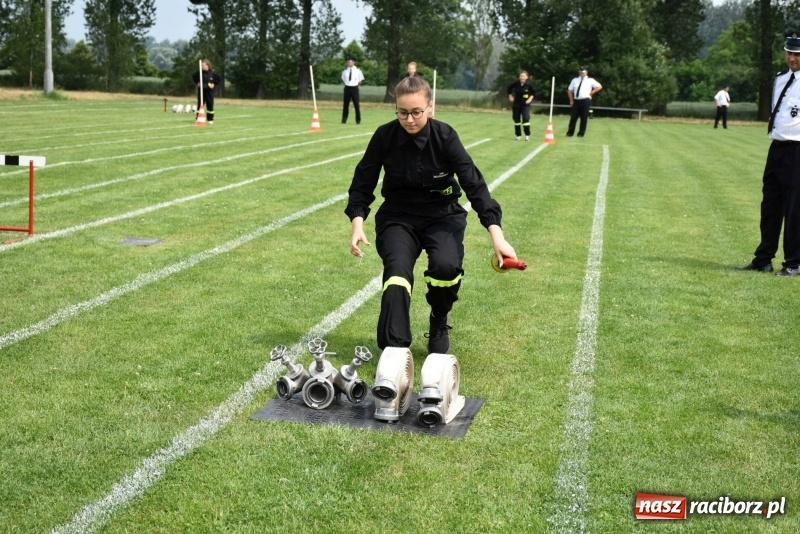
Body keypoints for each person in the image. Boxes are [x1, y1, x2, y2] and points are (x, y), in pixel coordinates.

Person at [345, 76, 518, 354]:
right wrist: (357, 224)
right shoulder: (384, 136)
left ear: (430, 107)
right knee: (397, 273)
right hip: (398, 217)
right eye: (402, 112)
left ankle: (439, 319)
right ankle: (395, 349)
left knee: (445, 269)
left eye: (416, 112)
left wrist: (497, 236)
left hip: (442, 215)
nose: (410, 119)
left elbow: (475, 185)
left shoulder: (446, 137)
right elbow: (362, 183)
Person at [738, 33, 800, 277]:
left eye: (797, 54)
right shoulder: (780, 78)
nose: (792, 58)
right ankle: (763, 258)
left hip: (798, 149)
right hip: (777, 146)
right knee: (770, 204)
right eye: (789, 53)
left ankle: (793, 263)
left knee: (795, 209)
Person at [566, 66, 602, 137]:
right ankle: (570, 132)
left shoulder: (590, 80)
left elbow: (599, 86)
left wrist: (592, 92)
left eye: (583, 72)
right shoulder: (575, 80)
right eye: (580, 72)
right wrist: (571, 100)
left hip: (585, 100)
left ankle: (581, 133)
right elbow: (570, 90)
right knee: (573, 117)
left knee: (583, 117)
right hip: (576, 100)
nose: (581, 73)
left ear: (586, 73)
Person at [507, 70, 537, 141]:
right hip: (516, 104)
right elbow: (509, 88)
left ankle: (527, 135)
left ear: (526, 77)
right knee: (516, 119)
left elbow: (534, 93)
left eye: (523, 76)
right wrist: (510, 95)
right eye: (521, 76)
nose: (522, 77)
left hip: (525, 104)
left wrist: (530, 98)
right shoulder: (516, 83)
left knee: (526, 119)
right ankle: (518, 135)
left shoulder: (529, 85)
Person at [192, 59, 221, 124]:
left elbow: (218, 79)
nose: (202, 66)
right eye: (201, 65)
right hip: (201, 91)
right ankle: (198, 118)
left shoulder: (212, 73)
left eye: (203, 65)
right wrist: (197, 83)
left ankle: (210, 119)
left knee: (210, 105)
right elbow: (193, 76)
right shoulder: (199, 72)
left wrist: (214, 84)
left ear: (207, 65)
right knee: (200, 105)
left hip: (209, 92)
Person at [341, 56, 364, 124]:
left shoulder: (358, 71)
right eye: (347, 62)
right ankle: (344, 120)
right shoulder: (345, 71)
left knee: (356, 104)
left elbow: (360, 81)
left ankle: (358, 120)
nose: (348, 63)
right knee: (346, 105)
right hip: (347, 88)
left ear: (353, 62)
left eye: (349, 62)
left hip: (354, 88)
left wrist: (355, 85)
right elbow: (343, 80)